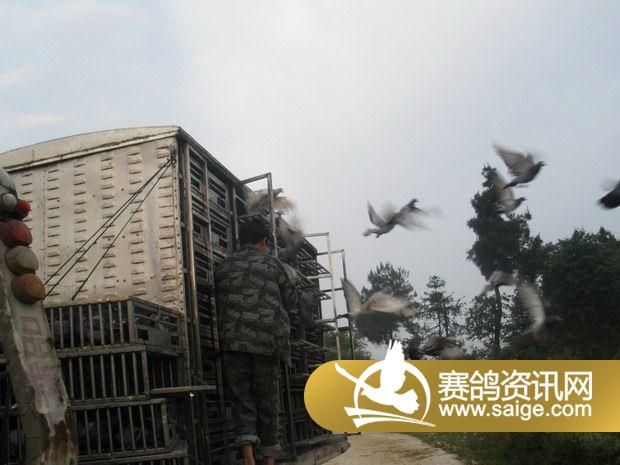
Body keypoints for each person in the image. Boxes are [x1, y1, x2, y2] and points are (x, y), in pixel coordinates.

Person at [214, 217, 297, 465]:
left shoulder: (223, 267)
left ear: (239, 241)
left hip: (233, 346)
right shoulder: (274, 265)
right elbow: (291, 300)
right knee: (268, 404)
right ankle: (269, 462)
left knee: (242, 403)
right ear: (264, 241)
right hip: (267, 345)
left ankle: (249, 460)